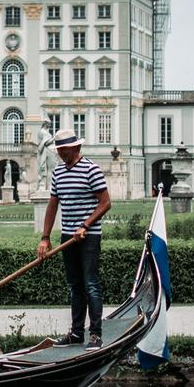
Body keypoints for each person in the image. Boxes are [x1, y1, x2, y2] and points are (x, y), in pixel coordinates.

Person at [38, 128, 112, 350]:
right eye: (59, 149)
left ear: (76, 148)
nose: (60, 153)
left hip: (88, 236)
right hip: (68, 236)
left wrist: (85, 225)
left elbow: (105, 202)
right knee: (74, 285)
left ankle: (96, 335)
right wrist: (45, 237)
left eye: (64, 149)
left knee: (91, 284)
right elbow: (53, 205)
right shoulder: (59, 172)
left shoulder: (91, 170)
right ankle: (77, 333)